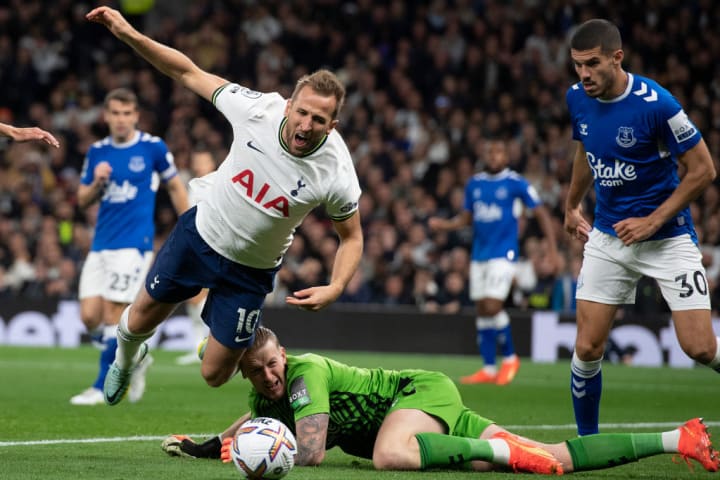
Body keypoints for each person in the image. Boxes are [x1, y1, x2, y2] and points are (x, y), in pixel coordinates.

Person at [85, 6, 363, 405]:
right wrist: (129, 33)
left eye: (319, 119)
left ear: (332, 125)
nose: (306, 124)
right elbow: (187, 72)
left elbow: (351, 236)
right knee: (139, 319)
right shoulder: (257, 110)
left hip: (251, 272)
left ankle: (212, 343)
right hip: (200, 235)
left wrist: (336, 287)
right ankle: (126, 362)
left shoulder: (336, 170)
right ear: (288, 105)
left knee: (214, 375)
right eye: (301, 112)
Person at [161, 326, 719, 475]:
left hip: (418, 391)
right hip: (423, 419)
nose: (270, 377)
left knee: (388, 455)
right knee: (552, 458)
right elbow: (250, 424)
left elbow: (309, 454)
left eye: (272, 363)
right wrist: (207, 446)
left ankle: (504, 454)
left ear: (285, 353)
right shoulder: (265, 400)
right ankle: (680, 437)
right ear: (245, 375)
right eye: (257, 373)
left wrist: (249, 457)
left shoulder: (306, 373)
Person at [563, 18, 720, 436]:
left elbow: (703, 170)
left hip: (667, 238)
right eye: (577, 65)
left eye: (592, 64)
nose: (584, 74)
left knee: (700, 348)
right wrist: (572, 203)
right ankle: (587, 443)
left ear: (618, 57)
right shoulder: (577, 98)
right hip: (609, 238)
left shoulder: (658, 104)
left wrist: (653, 221)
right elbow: (585, 148)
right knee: (587, 346)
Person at [70, 87, 189, 406]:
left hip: (134, 244)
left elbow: (175, 185)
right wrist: (96, 182)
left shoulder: (152, 148)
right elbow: (82, 200)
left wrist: (190, 224)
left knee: (113, 312)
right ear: (106, 116)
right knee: (89, 316)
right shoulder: (97, 152)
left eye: (127, 114)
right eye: (115, 114)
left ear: (135, 116)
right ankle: (133, 357)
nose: (121, 120)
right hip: (101, 244)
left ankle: (100, 386)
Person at [428, 139, 558, 385]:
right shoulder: (474, 184)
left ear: (506, 157)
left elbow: (540, 213)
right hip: (479, 254)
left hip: (504, 253)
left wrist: (551, 250)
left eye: (498, 152)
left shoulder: (516, 183)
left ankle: (510, 358)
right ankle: (488, 368)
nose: (493, 156)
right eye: (490, 152)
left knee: (492, 304)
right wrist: (444, 225)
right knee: (481, 309)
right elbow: (466, 218)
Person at [174, 150, 216, 366]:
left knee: (201, 297)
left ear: (212, 163)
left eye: (203, 161)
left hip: (210, 247)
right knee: (193, 298)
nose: (199, 165)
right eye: (196, 161)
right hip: (192, 246)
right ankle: (198, 346)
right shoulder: (192, 187)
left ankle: (212, 346)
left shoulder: (216, 185)